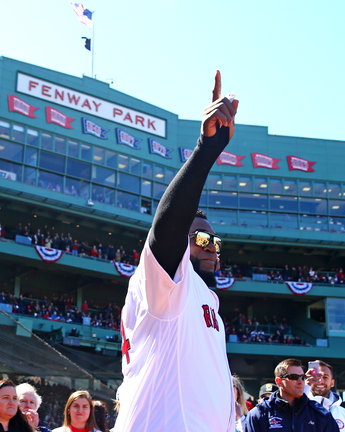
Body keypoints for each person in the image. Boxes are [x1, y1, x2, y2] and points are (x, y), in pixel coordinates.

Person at [114, 70, 239, 432]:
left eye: (215, 242)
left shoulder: (206, 297)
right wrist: (205, 153)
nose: (212, 248)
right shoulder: (170, 282)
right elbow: (167, 229)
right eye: (201, 239)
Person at [243, 358, 337, 432]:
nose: (300, 382)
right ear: (279, 382)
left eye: (302, 377)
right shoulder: (260, 414)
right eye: (294, 377)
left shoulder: (320, 414)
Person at [304, 360, 345, 432]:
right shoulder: (297, 409)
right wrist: (305, 388)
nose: (320, 381)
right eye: (316, 377)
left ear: (332, 383)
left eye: (325, 377)